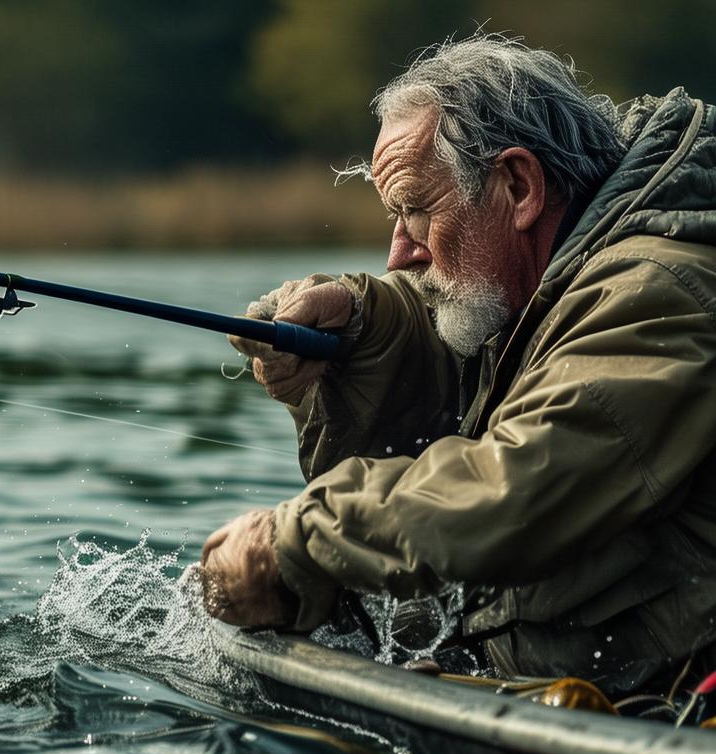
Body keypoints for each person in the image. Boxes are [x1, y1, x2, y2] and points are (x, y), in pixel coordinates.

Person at [198, 35, 716, 697]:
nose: (399, 254)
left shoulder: (661, 293)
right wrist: (360, 324)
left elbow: (512, 492)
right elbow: (463, 328)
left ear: (519, 186)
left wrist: (293, 543)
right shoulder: (551, 273)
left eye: (416, 210)